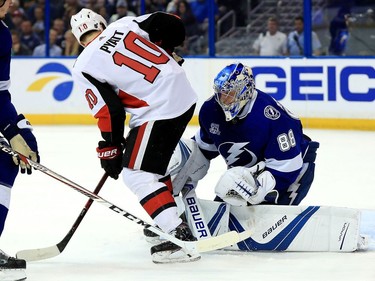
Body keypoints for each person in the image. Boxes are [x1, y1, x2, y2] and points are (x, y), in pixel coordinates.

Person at [70, 9, 198, 263]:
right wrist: (167, 48)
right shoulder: (126, 23)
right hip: (182, 94)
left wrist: (110, 148)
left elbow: (109, 111)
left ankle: (178, 235)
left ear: (79, 39)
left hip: (158, 107)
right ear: (101, 23)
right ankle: (167, 218)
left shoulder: (84, 64)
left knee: (136, 173)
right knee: (152, 165)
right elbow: (171, 23)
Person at [175, 62, 319, 208]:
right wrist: (183, 163)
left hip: (292, 169)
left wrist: (257, 188)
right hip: (244, 175)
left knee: (267, 221)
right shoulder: (210, 110)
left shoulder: (272, 118)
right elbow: (204, 148)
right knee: (226, 217)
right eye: (220, 93)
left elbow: (287, 165)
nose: (222, 99)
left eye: (229, 94)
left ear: (245, 91)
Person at [0, 0, 39, 278]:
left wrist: (19, 130)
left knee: (5, 165)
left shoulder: (2, 32)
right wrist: (11, 132)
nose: (12, 1)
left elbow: (0, 94)